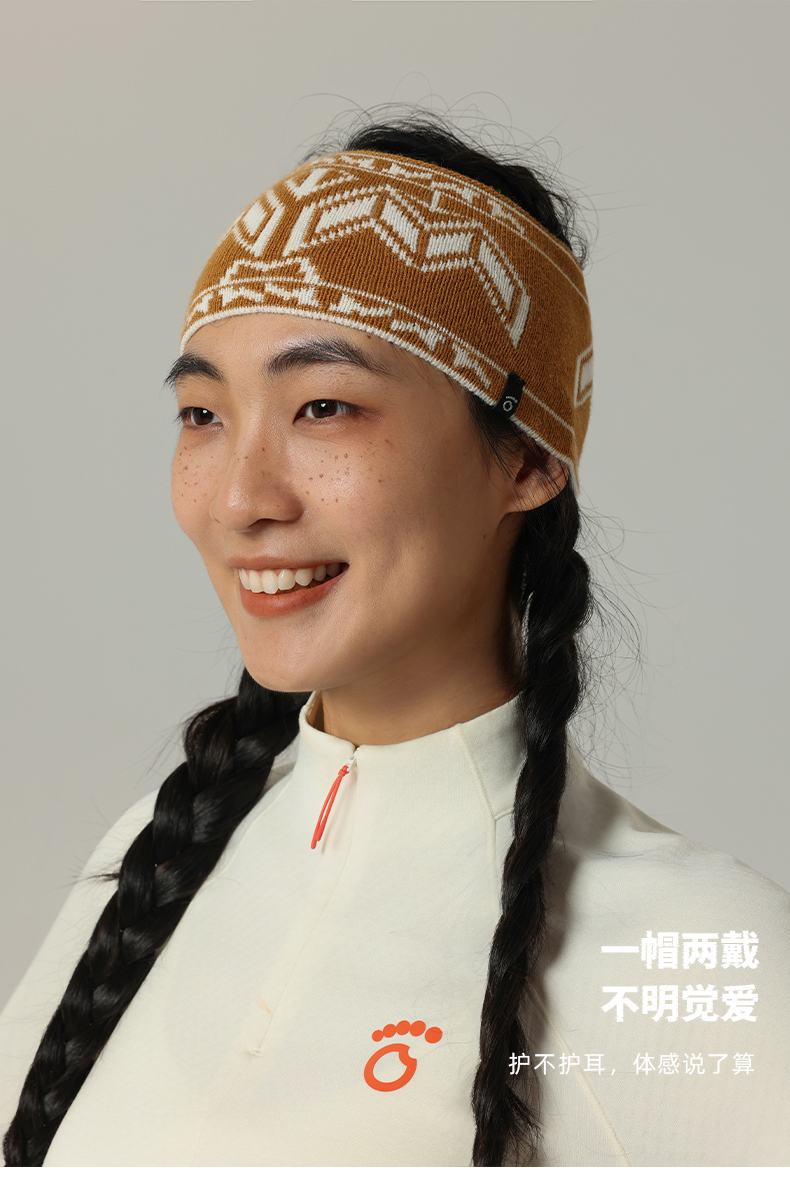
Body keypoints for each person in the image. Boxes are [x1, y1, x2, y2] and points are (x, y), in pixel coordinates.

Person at [1, 116, 788, 1168]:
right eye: (202, 414)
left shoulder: (692, 953)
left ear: (527, 462)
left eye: (324, 407)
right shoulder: (158, 854)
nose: (239, 498)